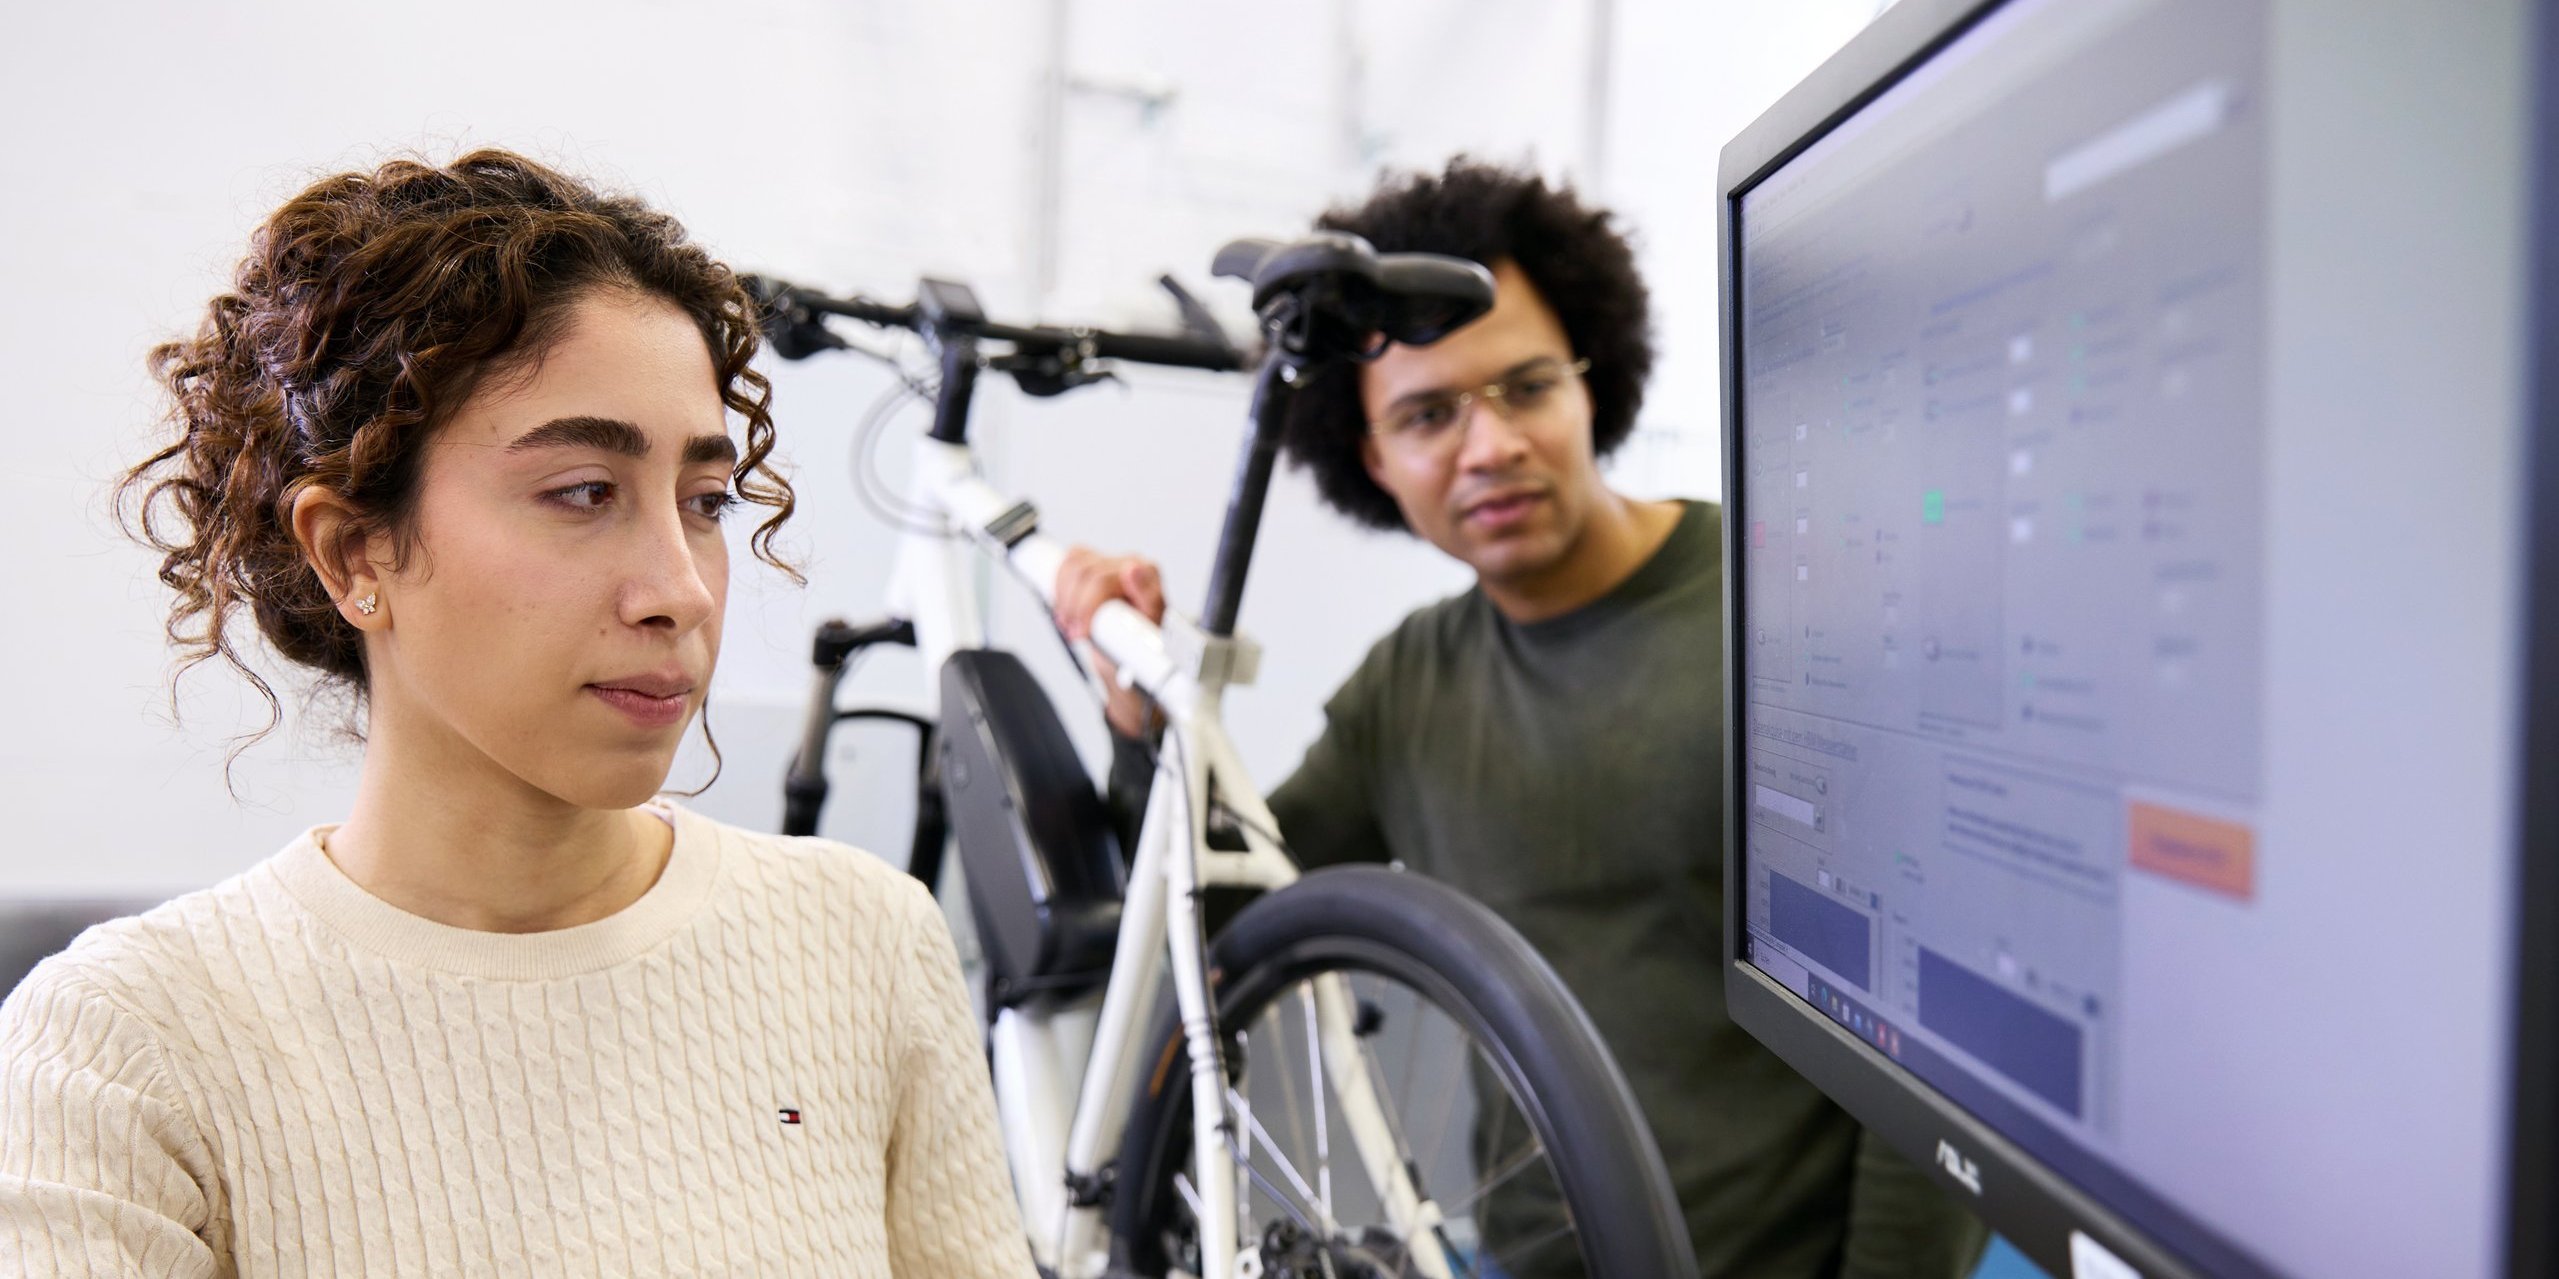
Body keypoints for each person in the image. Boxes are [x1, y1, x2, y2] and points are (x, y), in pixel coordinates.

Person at [0, 151, 1033, 1277]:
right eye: (584, 492)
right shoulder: (127, 1049)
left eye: (703, 503)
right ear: (356, 553)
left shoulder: (863, 945)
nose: (680, 589)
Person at [1055, 159, 1987, 1278]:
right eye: (1429, 414)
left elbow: (1924, 1051)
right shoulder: (1407, 687)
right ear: (1376, 461)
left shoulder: (1794, 617)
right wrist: (1138, 720)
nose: (1489, 445)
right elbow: (1228, 906)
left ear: (1591, 382)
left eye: (1526, 387)